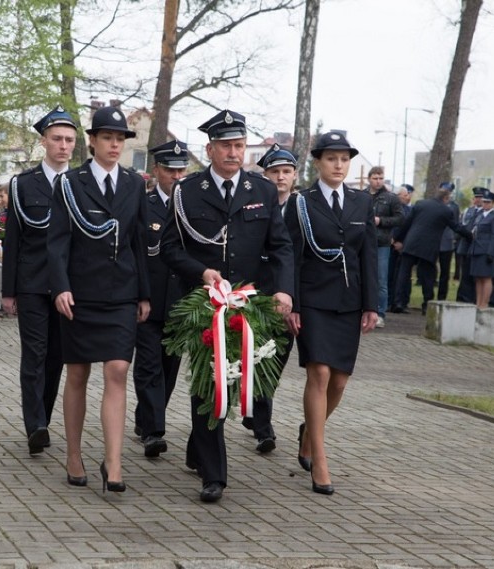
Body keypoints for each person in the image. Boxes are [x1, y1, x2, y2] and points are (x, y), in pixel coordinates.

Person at [160, 109, 293, 502]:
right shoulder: (186, 191)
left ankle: (197, 447)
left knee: (233, 381)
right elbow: (168, 247)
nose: (234, 152)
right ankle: (214, 475)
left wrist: (284, 291)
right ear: (211, 149)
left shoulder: (262, 190)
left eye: (239, 145)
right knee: (209, 380)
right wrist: (201, 272)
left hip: (249, 303)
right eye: (226, 146)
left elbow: (281, 246)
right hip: (204, 302)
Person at [48, 105, 151, 493]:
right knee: (77, 373)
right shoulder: (71, 184)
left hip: (121, 292)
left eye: (120, 138)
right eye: (107, 137)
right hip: (80, 292)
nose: (114, 144)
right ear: (92, 141)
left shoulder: (133, 184)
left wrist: (144, 293)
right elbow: (56, 242)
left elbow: (140, 241)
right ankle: (74, 455)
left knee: (118, 371)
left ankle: (113, 461)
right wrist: (60, 286)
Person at [283, 131, 377, 496]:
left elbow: (367, 255)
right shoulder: (300, 203)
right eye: (331, 158)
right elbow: (291, 254)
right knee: (319, 373)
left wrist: (372, 304)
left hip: (349, 300)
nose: (339, 165)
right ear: (318, 162)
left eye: (344, 159)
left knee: (339, 381)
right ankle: (320, 462)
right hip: (313, 300)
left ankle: (309, 431)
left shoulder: (361, 202)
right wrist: (292, 302)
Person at [1, 105, 77, 454]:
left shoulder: (80, 184)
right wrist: (8, 291)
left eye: (69, 140)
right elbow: (14, 240)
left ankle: (42, 419)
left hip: (67, 287)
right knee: (34, 354)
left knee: (56, 358)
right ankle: (35, 424)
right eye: (57, 139)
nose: (63, 146)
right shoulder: (22, 184)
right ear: (44, 141)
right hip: (32, 282)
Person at [241, 143, 300, 453]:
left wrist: (293, 301)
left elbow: (301, 261)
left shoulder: (302, 210)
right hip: (252, 292)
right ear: (265, 175)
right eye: (275, 171)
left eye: (286, 172)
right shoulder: (252, 202)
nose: (280, 177)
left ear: (294, 175)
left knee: (275, 361)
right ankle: (264, 427)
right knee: (256, 357)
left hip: (285, 296)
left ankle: (255, 410)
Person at [132, 140, 187, 458]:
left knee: (169, 368)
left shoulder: (191, 206)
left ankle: (146, 418)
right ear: (157, 171)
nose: (176, 176)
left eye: (181, 170)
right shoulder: (144, 204)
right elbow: (137, 253)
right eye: (170, 170)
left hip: (180, 303)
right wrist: (139, 294)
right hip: (149, 300)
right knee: (149, 365)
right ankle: (154, 430)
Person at [393, 185, 471, 315]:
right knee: (427, 277)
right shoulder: (445, 211)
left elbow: (407, 223)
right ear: (445, 198)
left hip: (412, 243)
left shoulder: (420, 204)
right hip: (428, 247)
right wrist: (470, 236)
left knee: (404, 274)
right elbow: (456, 227)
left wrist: (398, 239)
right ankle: (426, 303)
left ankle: (398, 302)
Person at [366, 166, 404, 328]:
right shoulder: (362, 196)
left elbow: (400, 218)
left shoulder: (390, 198)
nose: (378, 181)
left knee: (381, 280)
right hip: (363, 241)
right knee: (362, 277)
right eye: (375, 178)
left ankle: (380, 313)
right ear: (369, 179)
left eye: (381, 178)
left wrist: (381, 221)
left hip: (381, 242)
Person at [468, 190, 494, 308]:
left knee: (486, 277)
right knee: (478, 277)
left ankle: (484, 303)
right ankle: (478, 303)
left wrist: (490, 252)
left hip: (486, 250)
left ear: (493, 203)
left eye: (488, 202)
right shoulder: (479, 215)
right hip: (476, 249)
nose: (485, 204)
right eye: (484, 202)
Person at [455, 187, 486, 303]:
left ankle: (472, 297)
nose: (478, 200)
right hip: (466, 245)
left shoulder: (484, 213)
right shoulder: (469, 211)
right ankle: (462, 296)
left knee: (474, 274)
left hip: (477, 246)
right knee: (465, 273)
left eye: (480, 197)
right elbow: (463, 225)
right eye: (476, 197)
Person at [388, 184, 413, 311]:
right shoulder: (391, 208)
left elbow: (411, 227)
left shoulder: (410, 210)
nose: (407, 197)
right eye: (405, 195)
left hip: (405, 246)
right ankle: (388, 301)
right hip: (390, 244)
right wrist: (393, 240)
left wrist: (402, 242)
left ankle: (401, 302)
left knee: (403, 276)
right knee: (389, 274)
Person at [436, 182, 460, 301]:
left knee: (444, 273)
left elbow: (455, 224)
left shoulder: (454, 206)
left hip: (447, 240)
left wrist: (454, 238)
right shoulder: (433, 203)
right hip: (434, 240)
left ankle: (441, 297)